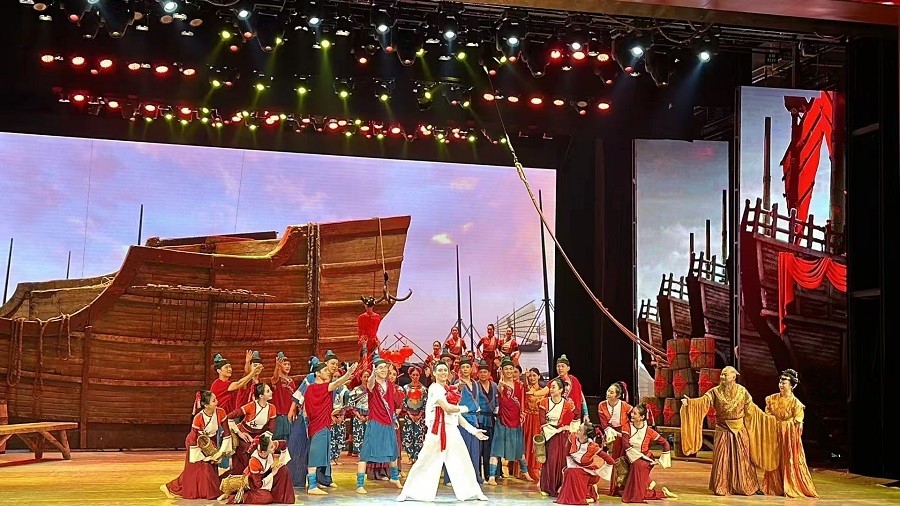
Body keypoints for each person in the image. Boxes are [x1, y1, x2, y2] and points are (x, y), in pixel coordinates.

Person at [397, 362, 489, 502]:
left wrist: (473, 431)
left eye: (445, 370)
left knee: (463, 460)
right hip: (437, 431)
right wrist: (467, 408)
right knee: (424, 461)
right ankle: (407, 492)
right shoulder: (435, 388)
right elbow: (448, 408)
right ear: (434, 373)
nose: (443, 372)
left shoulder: (449, 390)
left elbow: (455, 415)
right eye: (440, 370)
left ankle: (474, 491)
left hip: (451, 430)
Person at [681, 365, 777, 495]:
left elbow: (751, 410)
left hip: (739, 429)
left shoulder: (742, 391)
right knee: (722, 458)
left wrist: (767, 419)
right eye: (722, 374)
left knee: (743, 458)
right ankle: (722, 486)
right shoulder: (715, 392)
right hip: (723, 428)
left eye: (725, 375)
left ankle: (748, 486)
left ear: (734, 377)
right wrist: (690, 403)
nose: (722, 377)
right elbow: (703, 402)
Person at [161, 390, 233, 499]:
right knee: (195, 470)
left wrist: (220, 453)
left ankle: (206, 491)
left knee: (203, 469)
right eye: (214, 401)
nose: (217, 402)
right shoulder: (198, 418)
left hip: (209, 442)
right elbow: (194, 439)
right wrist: (207, 456)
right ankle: (169, 487)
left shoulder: (221, 412)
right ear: (206, 405)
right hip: (195, 444)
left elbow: (227, 433)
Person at [762, 369, 818, 498]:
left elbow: (798, 421)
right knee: (774, 459)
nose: (781, 385)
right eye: (780, 382)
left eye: (784, 383)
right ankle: (775, 486)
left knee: (789, 459)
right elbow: (768, 414)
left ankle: (791, 485)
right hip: (775, 433)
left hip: (788, 436)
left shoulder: (796, 403)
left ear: (792, 385)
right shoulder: (771, 399)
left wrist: (788, 427)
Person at [304, 360, 358, 495]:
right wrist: (348, 373)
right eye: (325, 371)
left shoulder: (309, 389)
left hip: (317, 424)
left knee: (319, 455)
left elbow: (307, 410)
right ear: (317, 373)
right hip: (320, 425)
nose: (328, 373)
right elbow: (338, 383)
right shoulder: (323, 387)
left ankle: (315, 482)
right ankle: (312, 486)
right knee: (315, 455)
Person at [610, 404, 677, 503]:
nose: (632, 415)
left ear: (642, 417)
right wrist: (636, 456)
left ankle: (644, 488)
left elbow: (665, 443)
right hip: (631, 457)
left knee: (638, 465)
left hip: (646, 459)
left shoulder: (649, 431)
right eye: (632, 412)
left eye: (635, 413)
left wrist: (662, 461)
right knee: (633, 484)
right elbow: (625, 445)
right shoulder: (627, 427)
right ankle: (660, 491)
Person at [356, 353, 402, 494]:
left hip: (388, 422)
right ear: (375, 369)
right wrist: (372, 374)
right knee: (366, 452)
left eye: (384, 367)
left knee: (393, 451)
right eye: (380, 368)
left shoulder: (390, 385)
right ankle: (360, 484)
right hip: (375, 421)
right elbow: (370, 383)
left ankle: (394, 477)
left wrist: (394, 419)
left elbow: (392, 404)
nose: (383, 370)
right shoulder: (373, 384)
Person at [209, 353, 260, 472]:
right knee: (223, 448)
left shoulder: (228, 384)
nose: (229, 369)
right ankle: (222, 472)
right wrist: (253, 372)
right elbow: (240, 383)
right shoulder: (218, 384)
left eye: (230, 367)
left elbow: (243, 379)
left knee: (233, 446)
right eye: (226, 367)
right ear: (218, 370)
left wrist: (248, 363)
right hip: (220, 422)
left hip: (229, 420)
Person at [285, 356, 331, 488]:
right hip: (307, 419)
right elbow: (300, 394)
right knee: (302, 448)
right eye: (331, 364)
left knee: (320, 451)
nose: (333, 367)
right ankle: (297, 480)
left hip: (322, 419)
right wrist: (292, 409)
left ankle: (320, 480)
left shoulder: (329, 380)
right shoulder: (311, 378)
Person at [487, 357, 532, 485]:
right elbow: (499, 396)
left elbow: (523, 400)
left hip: (516, 420)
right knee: (497, 449)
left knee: (519, 449)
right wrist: (500, 386)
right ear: (502, 370)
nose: (509, 371)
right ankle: (491, 476)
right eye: (506, 369)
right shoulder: (500, 385)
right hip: (503, 420)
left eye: (511, 369)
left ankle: (525, 472)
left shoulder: (520, 385)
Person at [224, 432, 295, 505]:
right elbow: (258, 484)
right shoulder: (254, 461)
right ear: (263, 452)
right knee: (266, 498)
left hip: (267, 475)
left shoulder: (270, 445)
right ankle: (241, 496)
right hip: (254, 483)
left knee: (283, 469)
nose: (274, 447)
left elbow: (283, 443)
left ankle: (280, 497)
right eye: (271, 447)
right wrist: (273, 473)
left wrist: (282, 460)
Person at [555, 422, 614, 505]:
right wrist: (571, 465)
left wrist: (600, 471)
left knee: (570, 472)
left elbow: (611, 461)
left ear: (585, 436)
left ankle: (583, 495)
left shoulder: (592, 447)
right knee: (568, 471)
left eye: (580, 430)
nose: (577, 430)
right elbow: (566, 452)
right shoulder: (573, 437)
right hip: (574, 466)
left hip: (587, 472)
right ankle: (570, 497)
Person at [539, 378, 578, 497]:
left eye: (554, 387)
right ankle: (547, 487)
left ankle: (560, 486)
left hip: (562, 436)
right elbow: (542, 421)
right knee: (550, 460)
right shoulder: (544, 402)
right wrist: (553, 431)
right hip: (549, 434)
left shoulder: (568, 404)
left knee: (561, 460)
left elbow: (573, 419)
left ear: (561, 390)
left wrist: (565, 428)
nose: (551, 389)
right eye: (550, 387)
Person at [447, 357, 483, 485]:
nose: (465, 369)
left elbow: (478, 401)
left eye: (468, 367)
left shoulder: (476, 384)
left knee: (474, 450)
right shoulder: (457, 383)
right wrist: (457, 389)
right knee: (459, 449)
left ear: (471, 368)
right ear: (460, 369)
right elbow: (452, 399)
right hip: (461, 418)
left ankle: (473, 476)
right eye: (463, 367)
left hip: (474, 419)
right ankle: (453, 477)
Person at [227, 382, 277, 476]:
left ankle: (259, 477)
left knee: (264, 451)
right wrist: (239, 433)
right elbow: (229, 417)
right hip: (244, 435)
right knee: (247, 450)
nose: (271, 392)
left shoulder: (272, 408)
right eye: (268, 391)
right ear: (261, 396)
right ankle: (243, 477)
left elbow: (271, 429)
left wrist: (258, 441)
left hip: (259, 437)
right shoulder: (251, 406)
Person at [474, 360, 498, 482]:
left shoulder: (494, 385)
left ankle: (490, 475)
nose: (483, 374)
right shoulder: (475, 385)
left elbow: (497, 402)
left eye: (485, 372)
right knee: (478, 449)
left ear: (489, 373)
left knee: (490, 448)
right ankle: (477, 475)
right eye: (481, 372)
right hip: (479, 419)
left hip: (491, 419)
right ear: (477, 373)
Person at [523, 367, 547, 482]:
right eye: (530, 376)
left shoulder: (543, 391)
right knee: (525, 443)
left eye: (534, 376)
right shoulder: (525, 389)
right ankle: (524, 470)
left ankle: (535, 469)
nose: (532, 378)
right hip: (527, 419)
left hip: (538, 420)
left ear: (539, 376)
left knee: (536, 444)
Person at [597, 381, 632, 458]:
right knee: (611, 450)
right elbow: (604, 423)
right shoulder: (601, 405)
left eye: (612, 392)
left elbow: (634, 414)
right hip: (610, 430)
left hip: (623, 430)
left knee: (624, 451)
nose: (608, 394)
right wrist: (610, 432)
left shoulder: (624, 405)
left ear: (618, 395)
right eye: (608, 391)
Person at [401, 366, 428, 463]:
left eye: (417, 375)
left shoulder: (423, 389)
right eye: (413, 375)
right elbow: (403, 402)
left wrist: (420, 414)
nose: (415, 377)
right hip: (409, 416)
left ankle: (417, 457)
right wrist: (409, 414)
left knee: (419, 436)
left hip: (420, 416)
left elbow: (425, 402)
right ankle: (410, 456)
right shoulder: (405, 388)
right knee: (408, 436)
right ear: (410, 375)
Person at [270, 352, 296, 441]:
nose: (287, 366)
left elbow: (294, 398)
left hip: (289, 414)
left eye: (289, 364)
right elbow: (275, 377)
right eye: (285, 364)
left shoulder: (291, 381)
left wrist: (293, 411)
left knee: (289, 440)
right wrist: (277, 367)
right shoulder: (277, 379)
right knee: (278, 440)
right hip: (279, 415)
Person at [349, 369, 371, 457]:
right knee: (359, 435)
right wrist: (358, 415)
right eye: (364, 377)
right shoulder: (356, 390)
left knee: (369, 436)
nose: (366, 378)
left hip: (370, 416)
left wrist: (369, 415)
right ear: (361, 378)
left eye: (368, 376)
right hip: (358, 416)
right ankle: (360, 455)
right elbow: (351, 404)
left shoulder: (372, 390)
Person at [358, 297, 382, 373]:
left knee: (372, 357)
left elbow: (376, 329)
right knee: (364, 358)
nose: (369, 308)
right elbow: (360, 331)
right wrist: (362, 341)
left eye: (370, 306)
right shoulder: (361, 317)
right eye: (368, 306)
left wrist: (376, 340)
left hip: (373, 340)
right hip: (365, 340)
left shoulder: (377, 317)